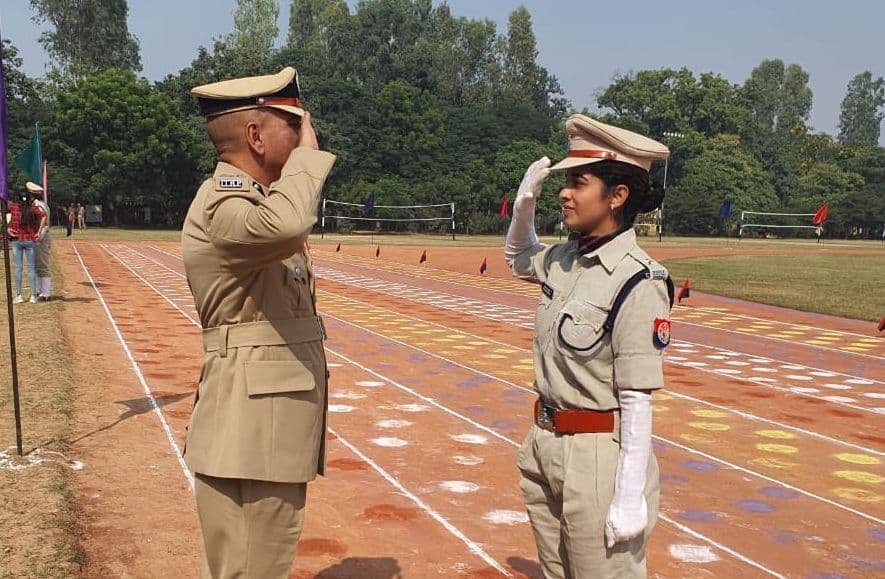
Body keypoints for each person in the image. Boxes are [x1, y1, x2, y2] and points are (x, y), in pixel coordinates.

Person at [181, 66, 335, 579]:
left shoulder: (251, 202)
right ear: (255, 135)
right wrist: (310, 160)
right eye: (293, 126)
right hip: (253, 432)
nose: (304, 136)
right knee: (251, 568)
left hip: (256, 430)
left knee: (244, 567)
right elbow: (290, 224)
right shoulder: (227, 205)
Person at [504, 114, 673, 578]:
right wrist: (524, 208)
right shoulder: (565, 259)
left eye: (579, 181)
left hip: (598, 455)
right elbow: (518, 257)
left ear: (617, 196)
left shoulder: (639, 280)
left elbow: (637, 397)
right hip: (544, 442)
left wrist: (627, 494)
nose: (565, 192)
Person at [6, 189, 46, 303]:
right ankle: (33, 296)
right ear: (29, 198)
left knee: (18, 269)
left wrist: (7, 228)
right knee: (31, 269)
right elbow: (43, 216)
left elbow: (2, 212)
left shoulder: (13, 207)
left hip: (16, 239)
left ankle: (18, 296)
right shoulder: (33, 208)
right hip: (30, 240)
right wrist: (39, 231)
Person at [27, 182, 53, 301]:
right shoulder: (39, 204)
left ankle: (46, 293)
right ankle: (40, 290)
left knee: (42, 265)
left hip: (41, 236)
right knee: (36, 265)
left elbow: (44, 224)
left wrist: (38, 238)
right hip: (36, 236)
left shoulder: (39, 205)